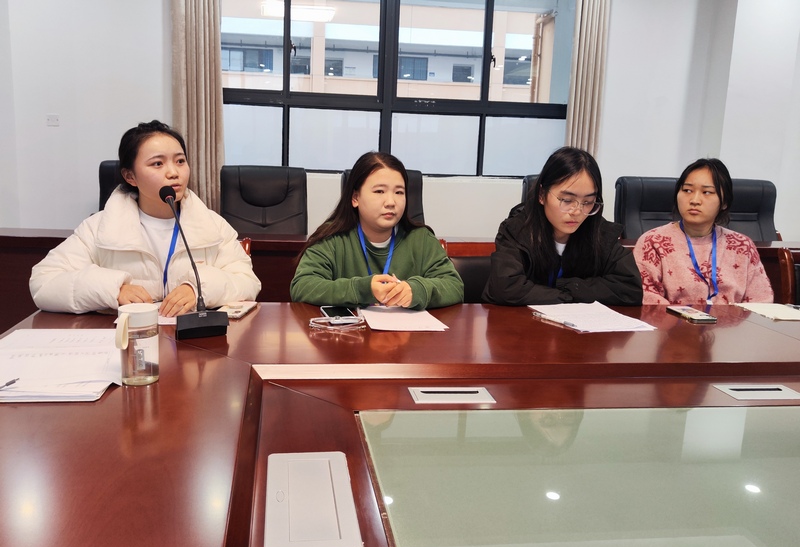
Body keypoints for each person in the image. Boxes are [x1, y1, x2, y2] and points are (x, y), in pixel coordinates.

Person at [30, 120, 261, 316]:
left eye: (180, 161)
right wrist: (113, 289)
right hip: (124, 341)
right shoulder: (98, 228)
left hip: (193, 343)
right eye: (157, 164)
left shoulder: (213, 225)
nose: (174, 172)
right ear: (130, 176)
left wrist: (199, 289)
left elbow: (247, 282)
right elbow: (43, 283)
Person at [290, 151, 463, 309]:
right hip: (351, 332)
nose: (391, 202)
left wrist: (418, 291)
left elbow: (454, 286)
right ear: (355, 198)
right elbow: (302, 286)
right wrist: (363, 289)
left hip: (407, 332)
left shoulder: (421, 238)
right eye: (379, 191)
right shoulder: (333, 237)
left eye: (399, 192)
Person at [482, 146, 642, 305]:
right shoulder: (516, 231)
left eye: (588, 202)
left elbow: (630, 288)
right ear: (542, 195)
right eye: (567, 200)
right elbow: (505, 288)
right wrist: (570, 296)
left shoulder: (600, 233)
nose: (577, 211)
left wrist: (567, 289)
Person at [633, 158, 773, 305]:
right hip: (672, 320)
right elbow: (647, 298)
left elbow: (761, 301)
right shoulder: (652, 242)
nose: (694, 200)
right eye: (687, 190)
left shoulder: (743, 246)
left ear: (724, 202)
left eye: (707, 192)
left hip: (732, 320)